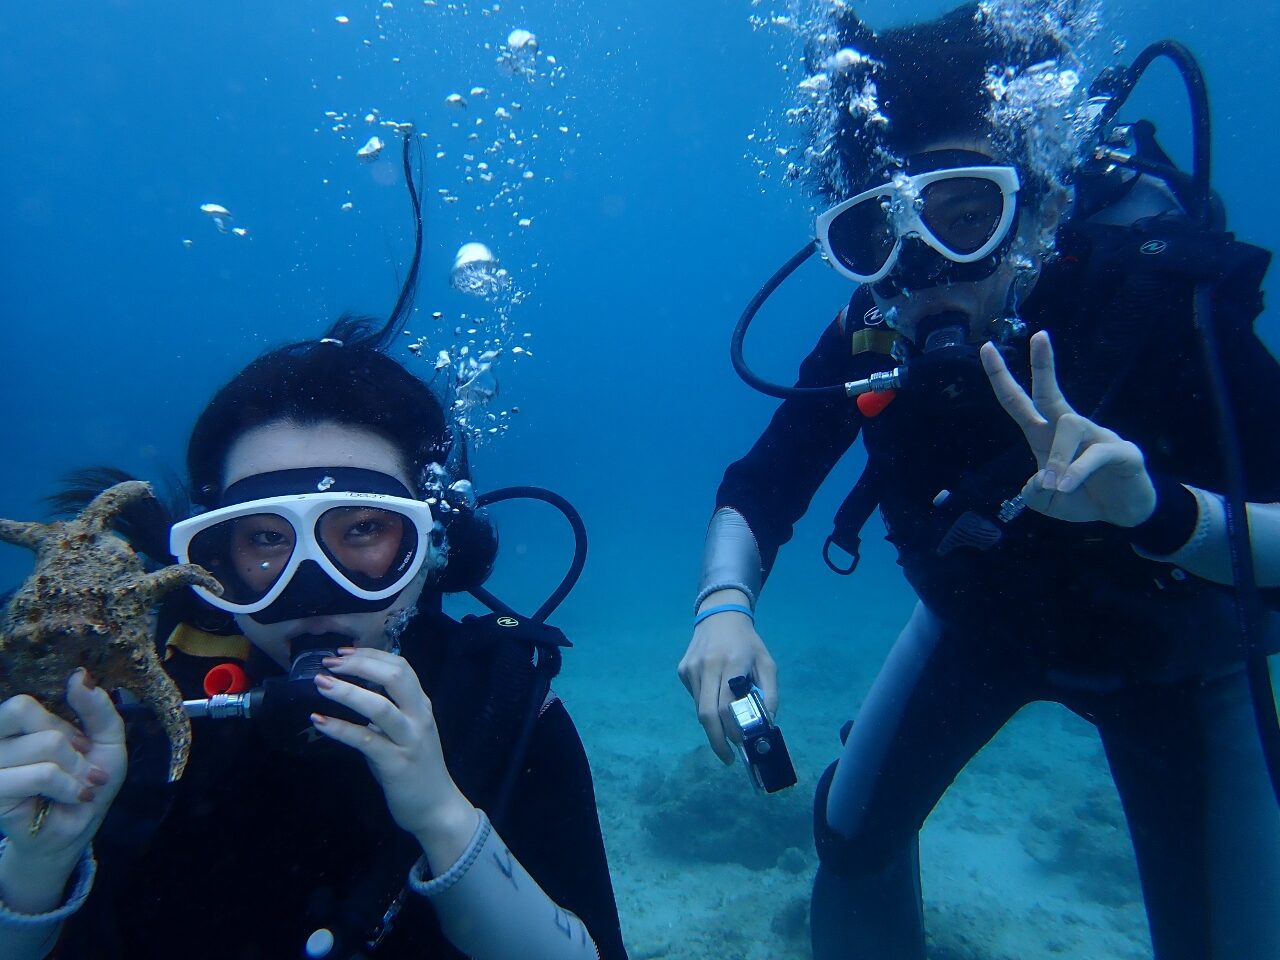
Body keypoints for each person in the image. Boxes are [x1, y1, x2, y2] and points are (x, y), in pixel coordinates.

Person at [677, 4, 1280, 958]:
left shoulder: (1156, 307)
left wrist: (1157, 511)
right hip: (980, 621)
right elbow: (764, 481)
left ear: (1037, 204)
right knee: (847, 836)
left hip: (1175, 655)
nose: (926, 273)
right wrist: (722, 608)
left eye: (969, 217)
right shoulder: (872, 336)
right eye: (882, 235)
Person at [0, 310, 629, 960]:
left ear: (436, 544)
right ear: (212, 557)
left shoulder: (501, 712)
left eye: (362, 529)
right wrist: (37, 867)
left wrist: (444, 817)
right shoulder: (131, 707)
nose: (313, 593)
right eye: (267, 539)